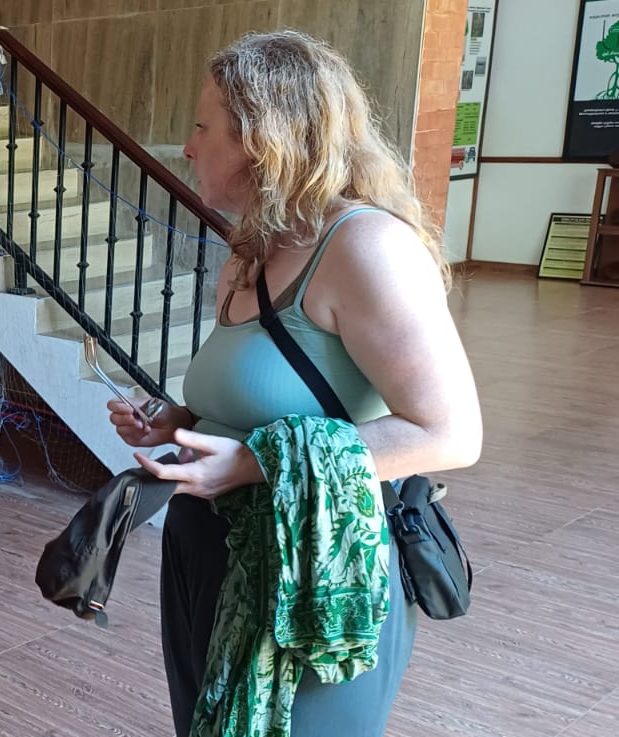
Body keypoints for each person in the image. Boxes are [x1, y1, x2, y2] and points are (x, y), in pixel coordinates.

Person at [106, 31, 483, 736]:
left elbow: (451, 432)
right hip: (206, 551)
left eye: (201, 125)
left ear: (262, 137)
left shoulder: (365, 246)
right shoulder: (256, 245)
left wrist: (251, 462)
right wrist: (178, 419)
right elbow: (259, 396)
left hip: (313, 566)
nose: (187, 146)